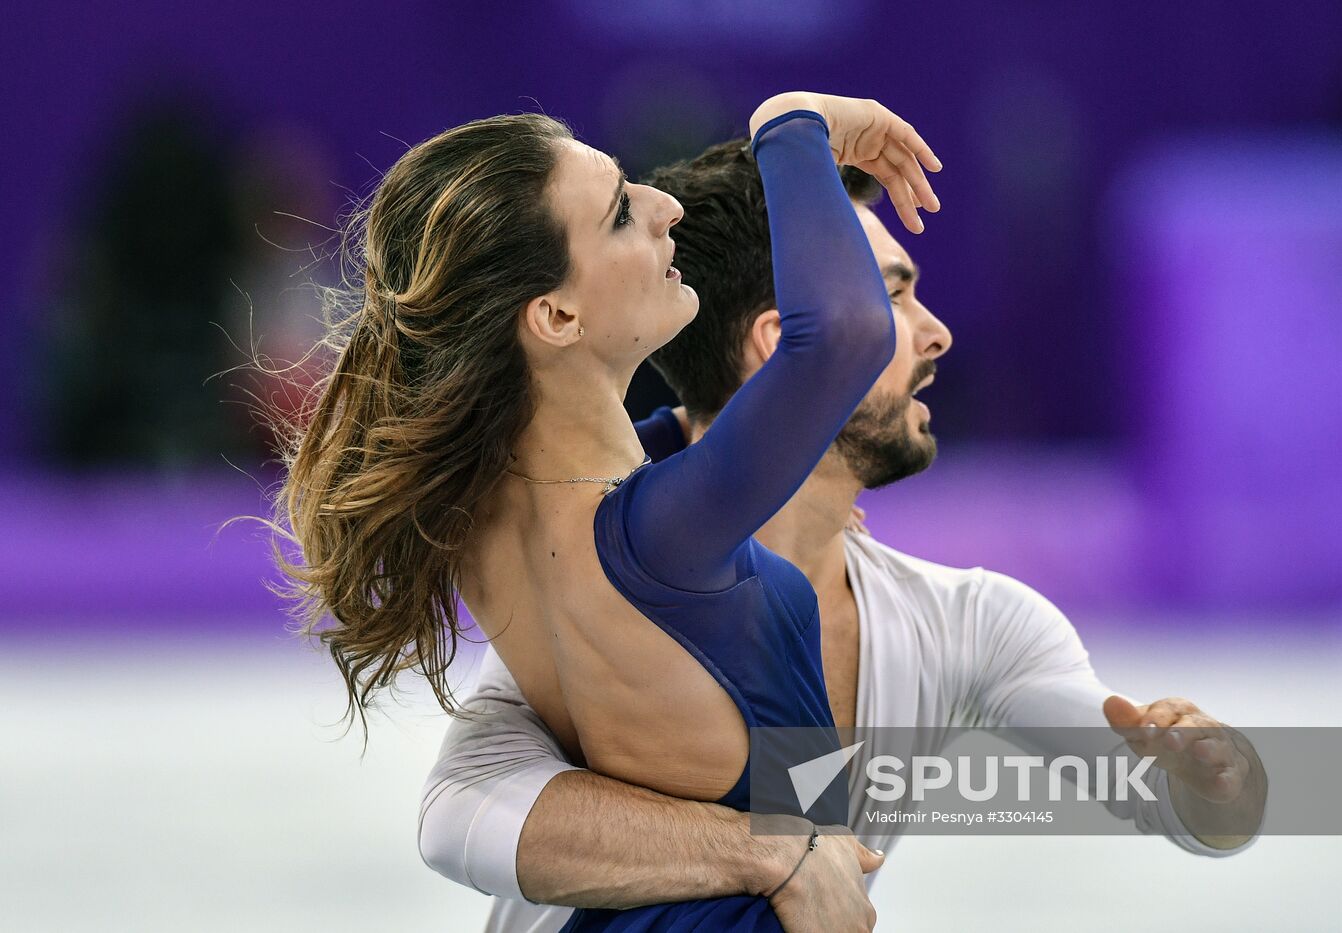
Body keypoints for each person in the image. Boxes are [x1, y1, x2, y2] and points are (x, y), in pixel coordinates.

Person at [417, 138, 1267, 932]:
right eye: (893, 295)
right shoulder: (594, 564)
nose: (936, 333)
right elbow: (459, 811)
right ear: (789, 346)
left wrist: (1213, 781)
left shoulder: (970, 622)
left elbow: (1173, 801)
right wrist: (767, 850)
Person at [267, 91, 944, 932]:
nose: (669, 210)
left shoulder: (476, 517)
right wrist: (791, 125)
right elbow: (844, 333)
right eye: (624, 212)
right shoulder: (661, 533)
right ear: (555, 315)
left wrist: (809, 833)